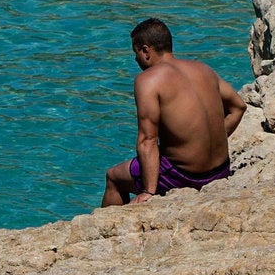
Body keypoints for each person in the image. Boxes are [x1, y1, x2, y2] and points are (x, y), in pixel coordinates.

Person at [100, 18, 245, 204]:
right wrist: (204, 142)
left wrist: (148, 191)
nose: (135, 59)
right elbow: (239, 107)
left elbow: (147, 140)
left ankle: (111, 231)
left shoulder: (148, 80)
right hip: (221, 170)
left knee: (113, 177)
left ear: (146, 51)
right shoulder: (203, 69)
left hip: (185, 175)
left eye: (135, 53)